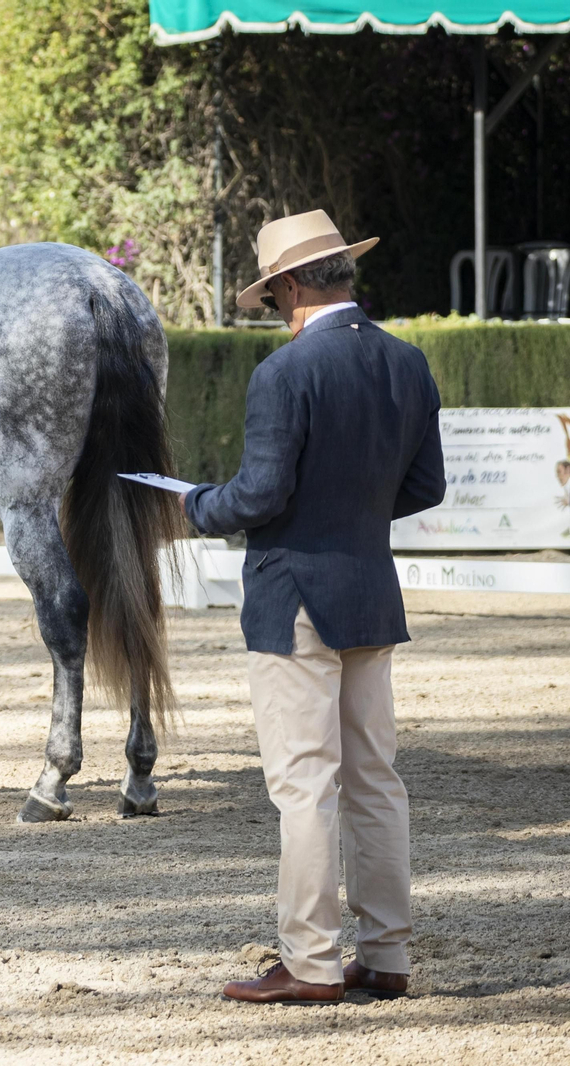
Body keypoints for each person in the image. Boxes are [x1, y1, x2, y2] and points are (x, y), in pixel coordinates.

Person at [182, 210, 446, 1004]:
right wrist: (354, 514)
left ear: (293, 284)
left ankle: (311, 961)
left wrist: (192, 504)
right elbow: (426, 487)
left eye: (272, 298)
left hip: (295, 595)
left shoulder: (285, 372)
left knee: (304, 785)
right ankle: (388, 954)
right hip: (370, 589)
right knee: (375, 780)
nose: (275, 311)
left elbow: (260, 494)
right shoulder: (407, 361)